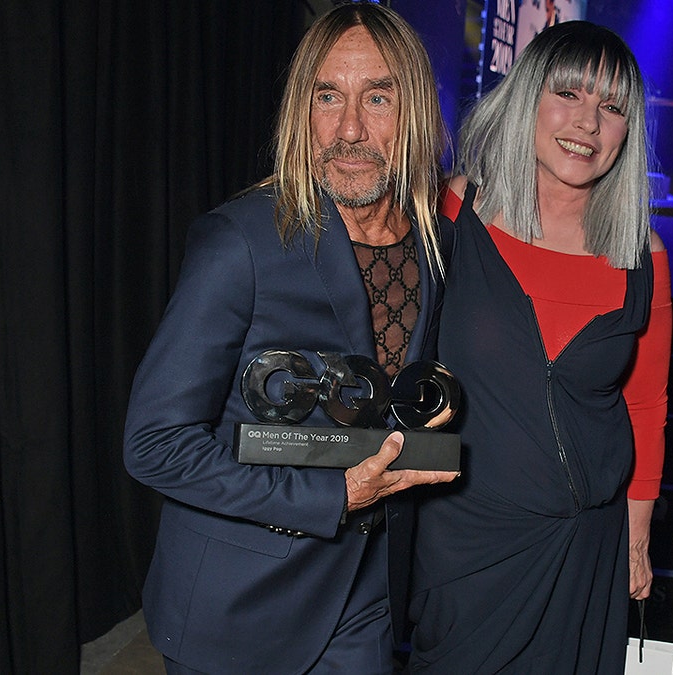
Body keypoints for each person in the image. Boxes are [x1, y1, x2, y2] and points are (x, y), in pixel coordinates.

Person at [122, 5, 457, 673]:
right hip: (237, 607)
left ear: (414, 109)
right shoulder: (241, 243)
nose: (351, 127)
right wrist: (330, 497)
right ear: (300, 112)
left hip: (364, 598)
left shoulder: (437, 246)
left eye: (379, 96)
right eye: (327, 95)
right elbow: (154, 443)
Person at [406, 21, 671, 672]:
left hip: (584, 545)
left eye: (612, 107)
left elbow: (644, 404)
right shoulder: (451, 210)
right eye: (570, 94)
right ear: (526, 97)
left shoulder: (645, 256)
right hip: (461, 535)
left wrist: (637, 537)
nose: (588, 122)